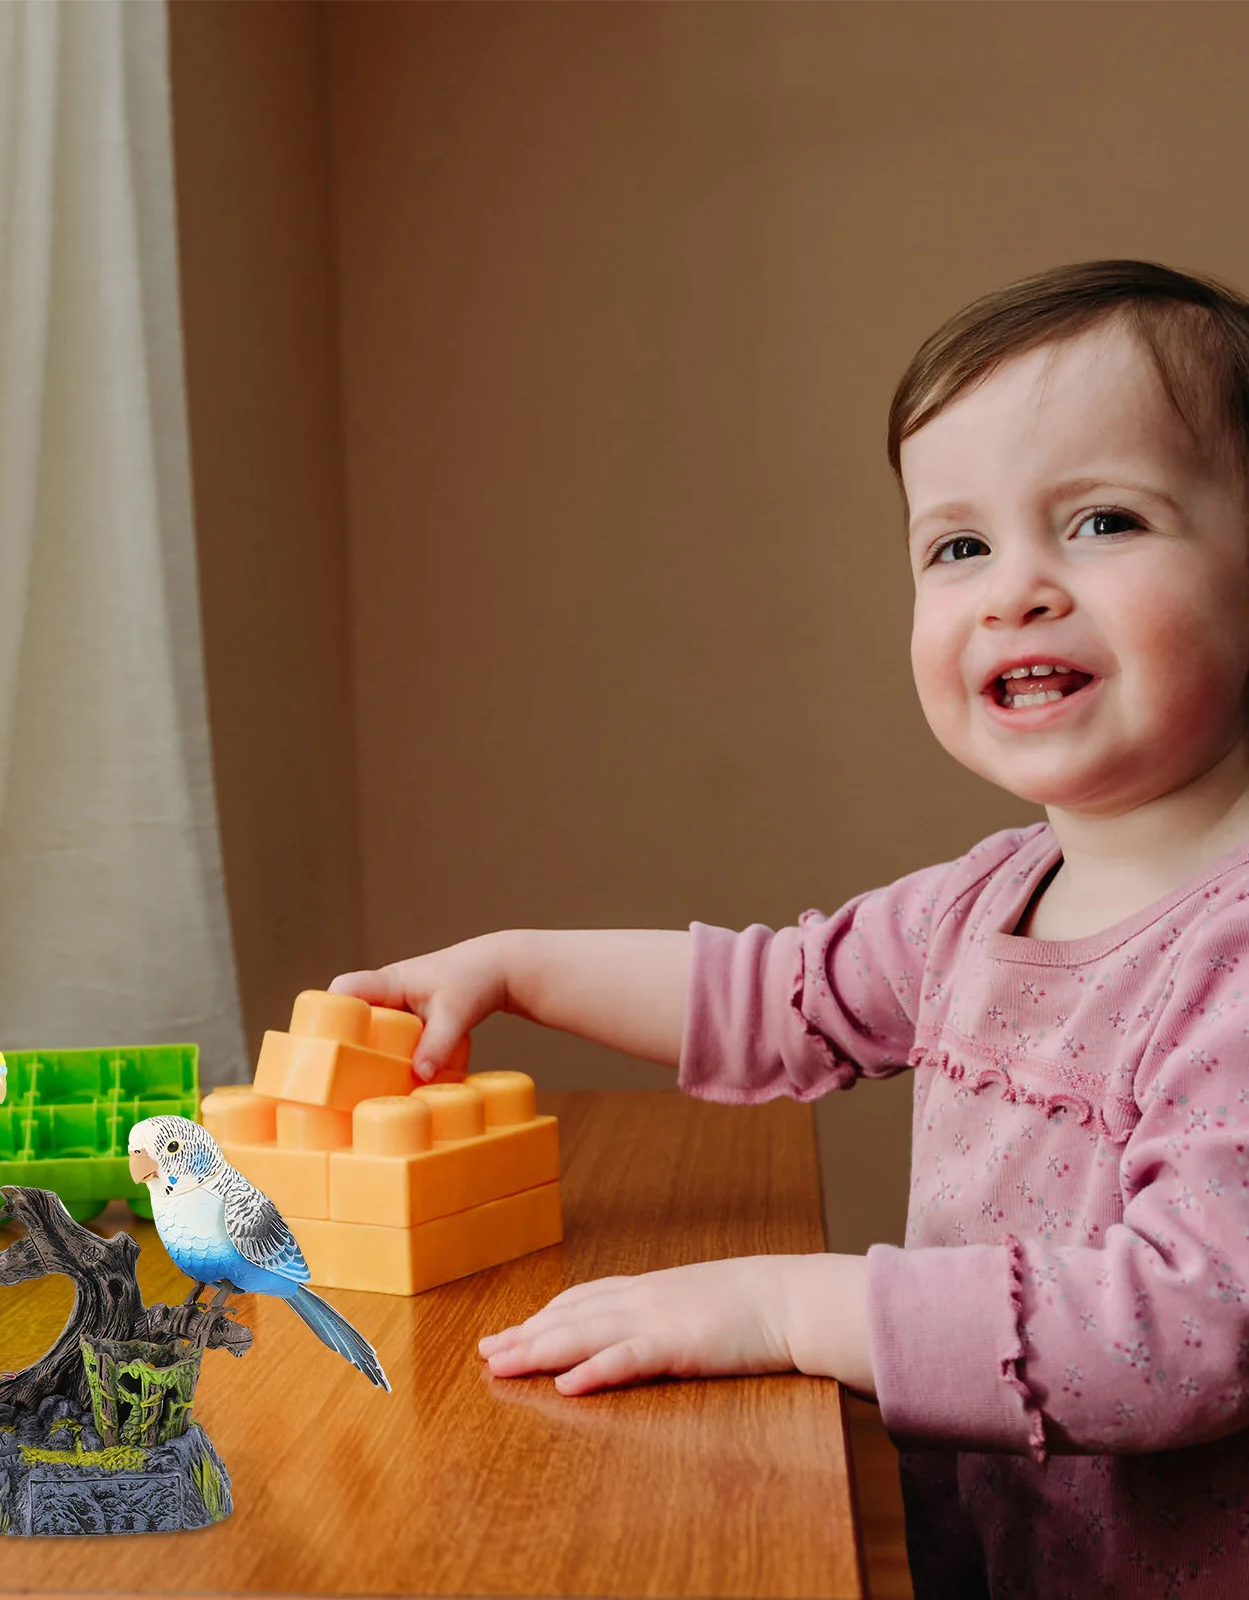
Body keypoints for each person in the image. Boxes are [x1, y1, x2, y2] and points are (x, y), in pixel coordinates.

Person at [330, 260, 1249, 1597]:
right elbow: (773, 994)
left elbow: (1192, 1322)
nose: (1015, 591)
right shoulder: (978, 903)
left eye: (1103, 521)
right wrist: (517, 966)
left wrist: (780, 1308)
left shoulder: (1229, 953)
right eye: (958, 547)